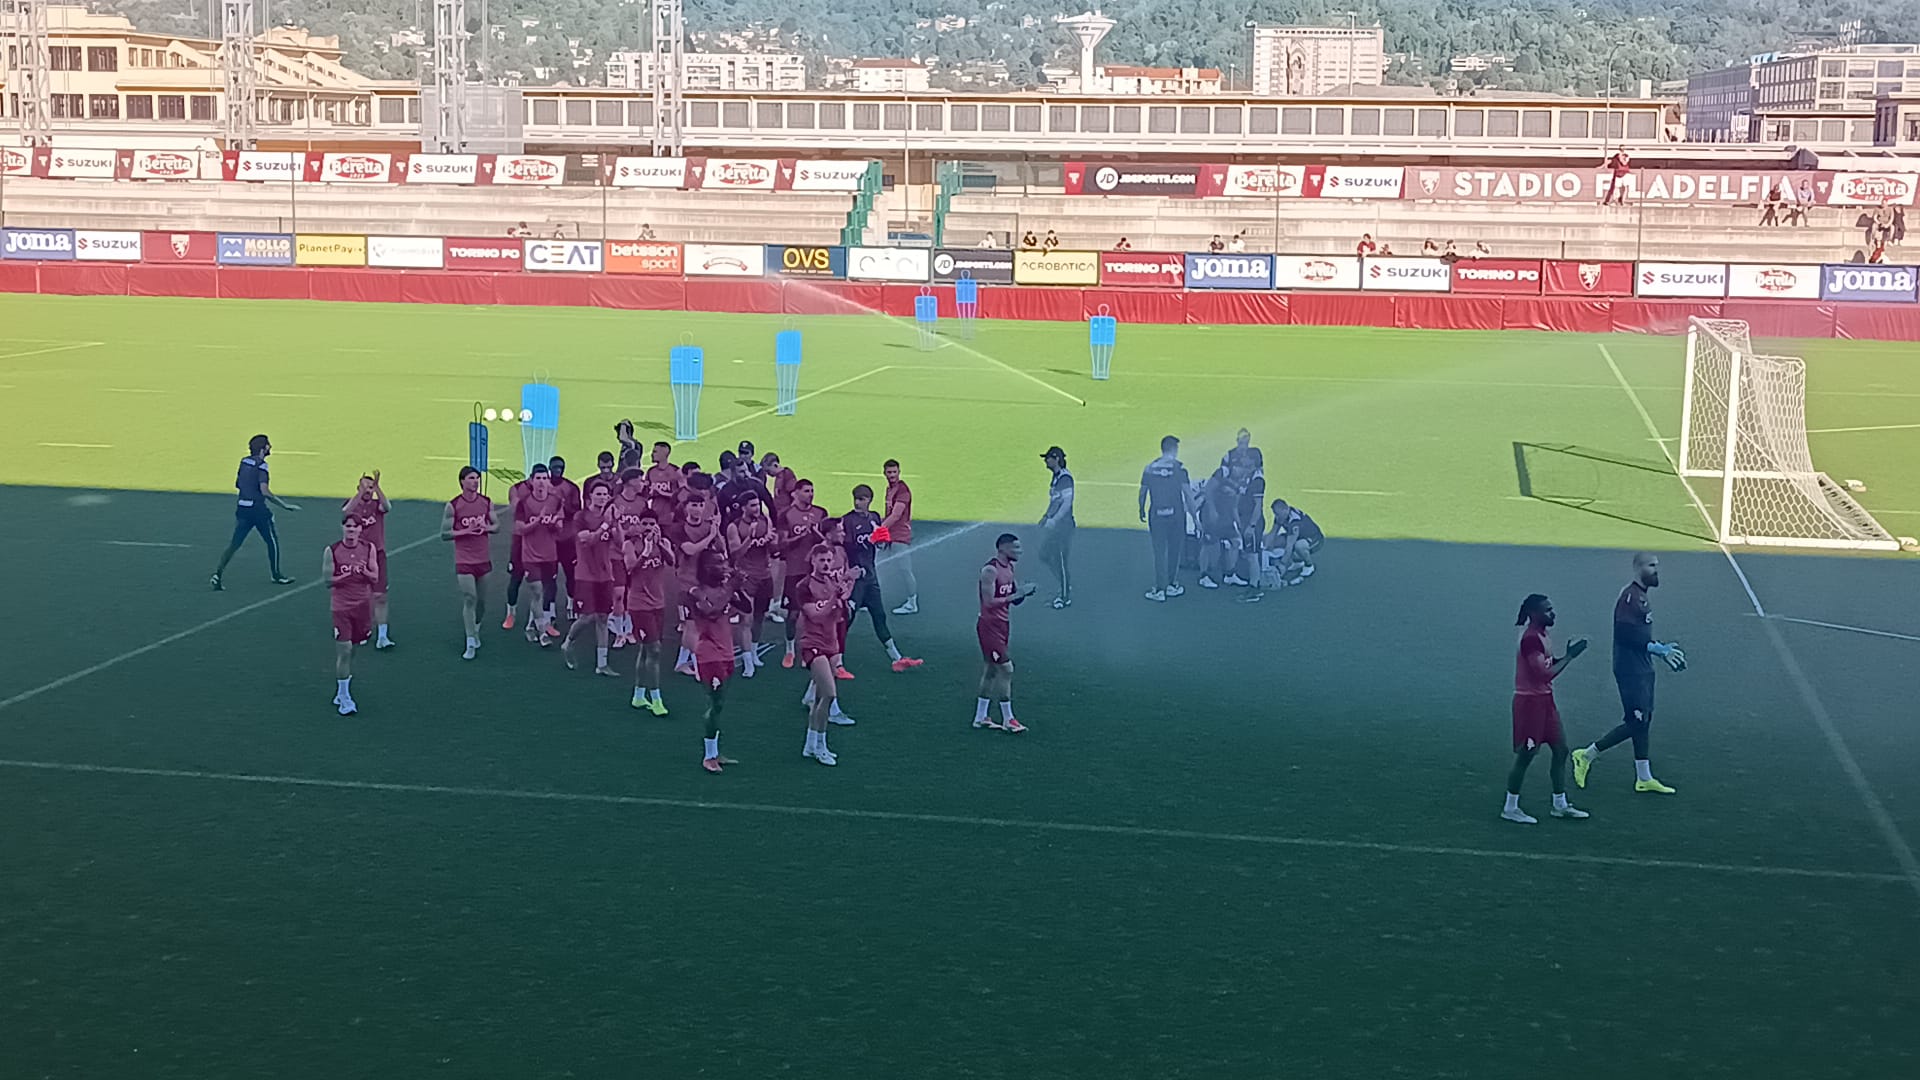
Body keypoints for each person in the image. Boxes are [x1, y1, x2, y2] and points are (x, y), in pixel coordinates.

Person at [1571, 553, 1685, 795]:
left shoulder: (1642, 597)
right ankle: (1586, 755)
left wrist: (1659, 648)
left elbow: (1640, 634)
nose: (1656, 570)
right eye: (1651, 566)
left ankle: (1644, 777)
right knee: (1636, 721)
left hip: (1642, 667)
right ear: (1638, 568)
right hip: (1630, 670)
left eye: (1657, 566)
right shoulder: (1630, 597)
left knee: (1644, 720)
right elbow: (1625, 635)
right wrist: (1656, 649)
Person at [1502, 593, 1592, 824]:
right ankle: (1510, 808)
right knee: (1526, 755)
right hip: (1529, 705)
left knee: (1561, 749)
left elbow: (1548, 666)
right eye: (1547, 610)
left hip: (1545, 702)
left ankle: (1560, 805)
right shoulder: (1531, 639)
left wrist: (1567, 656)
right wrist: (1569, 657)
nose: (1553, 613)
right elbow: (1542, 674)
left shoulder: (1543, 635)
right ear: (1534, 614)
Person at [843, 485, 922, 673]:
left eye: (861, 499)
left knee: (879, 616)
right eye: (856, 498)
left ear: (869, 500)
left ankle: (896, 658)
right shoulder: (848, 520)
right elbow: (847, 547)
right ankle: (833, 659)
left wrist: (880, 542)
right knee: (846, 620)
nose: (857, 503)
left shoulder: (874, 517)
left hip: (871, 578)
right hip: (855, 580)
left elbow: (878, 545)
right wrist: (869, 541)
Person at [211, 434, 299, 590]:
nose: (270, 447)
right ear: (263, 448)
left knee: (235, 544)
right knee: (272, 542)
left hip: (242, 508)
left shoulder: (244, 462)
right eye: (268, 445)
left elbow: (238, 484)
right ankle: (276, 575)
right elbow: (264, 491)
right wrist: (284, 505)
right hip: (258, 510)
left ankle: (218, 574)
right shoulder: (262, 466)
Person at [973, 533, 1036, 732]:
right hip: (989, 626)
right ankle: (1009, 719)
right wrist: (1016, 595)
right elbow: (989, 602)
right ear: (1003, 548)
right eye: (1015, 548)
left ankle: (980, 717)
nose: (1020, 551)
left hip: (1003, 625)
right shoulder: (990, 570)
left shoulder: (1009, 568)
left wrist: (1023, 593)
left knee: (991, 671)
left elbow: (1013, 598)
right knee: (1006, 669)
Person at [687, 553, 741, 773]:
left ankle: (715, 752)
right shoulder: (696, 592)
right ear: (705, 567)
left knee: (720, 705)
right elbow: (710, 610)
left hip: (727, 653)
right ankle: (708, 756)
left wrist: (738, 586)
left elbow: (746, 606)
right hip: (709, 655)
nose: (723, 566)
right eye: (718, 563)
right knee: (715, 703)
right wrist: (731, 587)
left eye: (724, 562)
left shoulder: (724, 589)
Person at [560, 484, 619, 677]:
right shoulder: (581, 517)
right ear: (590, 496)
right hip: (585, 575)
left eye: (605, 494)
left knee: (603, 618)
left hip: (605, 575)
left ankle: (602, 663)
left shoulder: (609, 518)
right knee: (586, 617)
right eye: (598, 494)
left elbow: (619, 542)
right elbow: (587, 540)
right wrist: (605, 525)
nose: (602, 497)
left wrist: (616, 524)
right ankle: (568, 642)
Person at [797, 544, 848, 765]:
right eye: (822, 560)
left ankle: (810, 744)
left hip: (831, 643)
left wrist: (843, 594)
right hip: (813, 644)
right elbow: (815, 615)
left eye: (829, 560)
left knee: (820, 698)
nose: (826, 564)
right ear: (813, 561)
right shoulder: (804, 586)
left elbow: (840, 614)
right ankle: (821, 746)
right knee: (829, 694)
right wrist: (834, 598)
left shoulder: (832, 582)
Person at [439, 466, 496, 660]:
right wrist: (466, 531)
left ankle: (476, 628)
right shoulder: (453, 505)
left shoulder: (486, 502)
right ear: (462, 481)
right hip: (464, 559)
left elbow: (496, 526)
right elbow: (444, 534)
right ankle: (470, 641)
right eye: (471, 478)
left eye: (477, 478)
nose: (475, 481)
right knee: (470, 597)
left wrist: (485, 527)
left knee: (481, 602)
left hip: (483, 558)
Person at [324, 513, 379, 716]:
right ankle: (344, 696)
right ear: (343, 528)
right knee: (345, 650)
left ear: (360, 529)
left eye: (355, 527)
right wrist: (346, 575)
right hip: (341, 607)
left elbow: (375, 577)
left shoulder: (368, 548)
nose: (351, 530)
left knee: (353, 648)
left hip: (362, 606)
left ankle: (342, 687)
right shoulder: (332, 551)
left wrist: (363, 572)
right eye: (348, 526)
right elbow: (328, 580)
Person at [623, 513, 676, 715]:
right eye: (644, 523)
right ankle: (656, 699)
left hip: (658, 603)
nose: (647, 527)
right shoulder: (630, 545)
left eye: (651, 523)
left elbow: (671, 561)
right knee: (654, 650)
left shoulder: (663, 542)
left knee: (645, 650)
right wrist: (645, 552)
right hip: (639, 605)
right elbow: (630, 568)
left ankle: (638, 695)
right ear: (638, 524)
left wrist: (659, 544)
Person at [337, 470, 395, 650]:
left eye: (370, 488)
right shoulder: (352, 505)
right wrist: (360, 494)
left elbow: (387, 507)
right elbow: (345, 512)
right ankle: (355, 629)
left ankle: (383, 636)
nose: (368, 491)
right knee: (356, 596)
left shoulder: (377, 506)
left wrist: (378, 488)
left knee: (380, 596)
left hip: (377, 555)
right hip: (356, 556)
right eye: (364, 487)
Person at [512, 464, 565, 646]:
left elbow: (559, 527)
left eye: (544, 478)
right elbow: (520, 529)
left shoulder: (555, 501)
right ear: (531, 481)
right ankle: (543, 633)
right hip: (531, 555)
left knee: (545, 592)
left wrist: (552, 523)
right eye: (538, 478)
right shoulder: (524, 503)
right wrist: (538, 521)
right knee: (536, 592)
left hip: (550, 554)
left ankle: (530, 626)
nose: (541, 482)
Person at [725, 490, 776, 676]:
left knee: (760, 616)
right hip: (746, 577)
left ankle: (753, 652)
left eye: (758, 504)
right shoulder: (734, 526)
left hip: (765, 575)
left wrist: (772, 541)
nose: (757, 508)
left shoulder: (765, 520)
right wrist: (750, 539)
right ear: (743, 508)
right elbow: (735, 553)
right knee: (746, 619)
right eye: (753, 505)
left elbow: (773, 547)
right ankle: (747, 661)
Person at [779, 479, 829, 668]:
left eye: (812, 490)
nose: (811, 494)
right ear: (796, 493)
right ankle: (790, 650)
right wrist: (800, 537)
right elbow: (782, 543)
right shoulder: (786, 515)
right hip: (794, 570)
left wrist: (816, 534)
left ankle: (812, 649)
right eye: (806, 491)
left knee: (816, 613)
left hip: (816, 572)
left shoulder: (821, 513)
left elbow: (827, 541)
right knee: (793, 614)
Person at [1139, 435, 1192, 602]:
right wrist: (1195, 518)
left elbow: (1143, 492)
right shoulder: (1180, 468)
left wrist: (1141, 508)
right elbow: (1188, 494)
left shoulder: (1149, 468)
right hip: (1177, 516)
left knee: (1159, 552)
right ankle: (1171, 584)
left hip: (1157, 515)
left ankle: (1160, 589)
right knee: (1175, 550)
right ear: (1174, 449)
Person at [1223, 428, 1265, 589]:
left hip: (1251, 520)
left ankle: (1254, 587)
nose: (1244, 460)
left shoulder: (1257, 480)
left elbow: (1258, 505)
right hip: (1241, 516)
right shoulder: (1245, 475)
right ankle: (1237, 576)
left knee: (1252, 553)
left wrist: (1251, 525)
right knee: (1245, 549)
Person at [544, 456, 582, 624]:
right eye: (555, 468)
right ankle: (550, 607)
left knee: (571, 574)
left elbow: (576, 510)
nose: (557, 471)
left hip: (567, 538)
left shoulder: (571, 488)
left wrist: (562, 507)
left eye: (560, 468)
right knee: (550, 576)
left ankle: (571, 603)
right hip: (549, 539)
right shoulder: (544, 486)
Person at [1038, 446, 1075, 608]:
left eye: (1048, 458)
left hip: (1063, 527)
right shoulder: (1056, 477)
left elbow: (1067, 503)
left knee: (1060, 560)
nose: (1045, 461)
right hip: (1057, 526)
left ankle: (1065, 596)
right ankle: (1064, 583)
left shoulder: (1064, 478)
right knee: (1045, 554)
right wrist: (1046, 516)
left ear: (1056, 459)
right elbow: (1055, 501)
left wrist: (1054, 520)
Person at [1196, 463, 1241, 591]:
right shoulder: (1222, 473)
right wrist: (1212, 510)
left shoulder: (1242, 482)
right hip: (1211, 516)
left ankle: (1229, 575)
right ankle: (1204, 576)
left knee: (1236, 542)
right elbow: (1208, 490)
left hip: (1226, 518)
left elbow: (1234, 505)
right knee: (1209, 544)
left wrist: (1238, 522)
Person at [883, 458, 918, 615]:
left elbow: (896, 515)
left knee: (904, 569)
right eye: (889, 472)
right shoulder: (889, 489)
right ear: (884, 473)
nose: (892, 475)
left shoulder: (903, 491)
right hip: (889, 535)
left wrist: (879, 530)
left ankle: (912, 603)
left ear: (899, 472)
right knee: (876, 566)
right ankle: (869, 599)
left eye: (894, 472)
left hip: (900, 535)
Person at [1263, 498, 1323, 586]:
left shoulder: (1294, 521)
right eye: (1275, 514)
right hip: (1299, 536)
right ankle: (1297, 562)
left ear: (1285, 510)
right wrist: (1265, 548)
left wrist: (1282, 564)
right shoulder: (1281, 516)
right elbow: (1273, 533)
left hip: (1314, 539)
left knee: (1299, 546)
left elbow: (1289, 546)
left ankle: (1309, 565)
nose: (1276, 516)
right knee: (1277, 541)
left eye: (1278, 514)